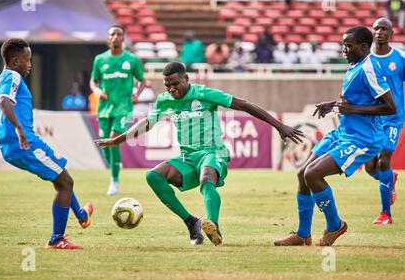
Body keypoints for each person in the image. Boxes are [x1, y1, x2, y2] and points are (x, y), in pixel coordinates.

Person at [95, 62, 305, 246]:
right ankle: (191, 222)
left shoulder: (205, 94)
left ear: (186, 79)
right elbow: (147, 123)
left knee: (207, 179)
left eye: (175, 84)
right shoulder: (164, 100)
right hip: (187, 158)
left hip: (213, 152)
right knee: (153, 176)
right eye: (167, 85)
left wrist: (278, 126)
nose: (171, 89)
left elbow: (244, 104)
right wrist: (117, 140)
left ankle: (212, 223)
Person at [0, 38, 93, 249]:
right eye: (27, 60)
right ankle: (57, 239)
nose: (30, 64)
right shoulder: (12, 77)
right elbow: (4, 102)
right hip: (25, 144)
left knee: (61, 177)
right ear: (14, 60)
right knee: (66, 182)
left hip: (9, 149)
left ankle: (82, 216)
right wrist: (19, 129)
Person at [274, 26, 396, 246]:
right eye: (343, 46)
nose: (344, 50)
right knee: (303, 174)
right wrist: (335, 105)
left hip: (363, 139)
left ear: (364, 46)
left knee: (312, 174)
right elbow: (357, 100)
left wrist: (354, 110)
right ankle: (303, 235)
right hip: (343, 132)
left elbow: (390, 107)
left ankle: (335, 226)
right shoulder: (354, 65)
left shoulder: (369, 68)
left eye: (348, 46)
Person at [90, 25, 146, 195]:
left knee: (114, 139)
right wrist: (97, 91)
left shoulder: (131, 59)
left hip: (123, 107)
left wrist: (136, 93)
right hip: (105, 109)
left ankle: (114, 181)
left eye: (118, 34)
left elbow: (142, 81)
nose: (115, 37)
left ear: (123, 38)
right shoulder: (100, 59)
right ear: (108, 38)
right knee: (105, 146)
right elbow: (94, 81)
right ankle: (116, 162)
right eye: (112, 34)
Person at [364, 18, 405, 224]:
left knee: (384, 160)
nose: (379, 32)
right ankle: (391, 178)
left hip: (393, 119)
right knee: (370, 168)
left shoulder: (400, 58)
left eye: (384, 29)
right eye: (376, 28)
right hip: (373, 121)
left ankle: (385, 214)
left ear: (391, 34)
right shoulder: (365, 60)